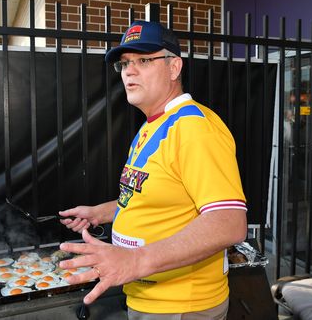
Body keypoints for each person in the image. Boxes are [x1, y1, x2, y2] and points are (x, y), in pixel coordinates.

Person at [58, 20, 247, 320]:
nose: (130, 71)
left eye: (144, 60)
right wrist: (100, 213)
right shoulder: (154, 124)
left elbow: (228, 223)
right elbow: (148, 197)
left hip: (182, 307)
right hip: (148, 299)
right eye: (125, 63)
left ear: (174, 68)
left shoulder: (195, 128)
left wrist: (134, 261)